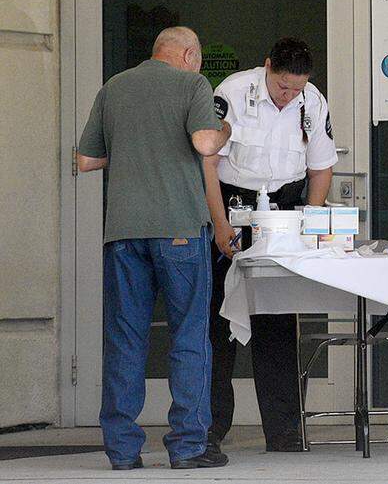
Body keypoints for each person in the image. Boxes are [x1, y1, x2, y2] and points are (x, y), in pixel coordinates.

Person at [76, 26, 232, 470]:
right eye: (197, 60)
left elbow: (86, 160)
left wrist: (133, 148)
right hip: (179, 228)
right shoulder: (192, 84)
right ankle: (187, 447)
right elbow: (204, 143)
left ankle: (123, 452)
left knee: (125, 339)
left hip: (123, 233)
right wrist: (224, 128)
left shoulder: (114, 87)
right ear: (188, 55)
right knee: (188, 336)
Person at [204, 37, 337, 454]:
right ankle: (209, 428)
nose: (288, 95)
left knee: (278, 323)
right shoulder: (233, 92)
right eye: (282, 86)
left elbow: (321, 167)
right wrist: (220, 222)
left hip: (284, 211)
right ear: (267, 68)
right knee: (217, 322)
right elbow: (207, 162)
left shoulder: (311, 101)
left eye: (296, 88)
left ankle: (283, 431)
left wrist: (312, 225)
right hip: (232, 203)